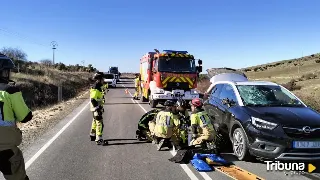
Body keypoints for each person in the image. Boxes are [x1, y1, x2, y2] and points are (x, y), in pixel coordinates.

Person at [0, 54, 33, 180]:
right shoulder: (10, 90)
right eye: (7, 71)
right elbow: (25, 117)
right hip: (5, 150)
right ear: (2, 72)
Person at [89, 72, 106, 145]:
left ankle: (93, 135)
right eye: (102, 78)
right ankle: (99, 139)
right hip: (96, 108)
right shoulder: (96, 87)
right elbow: (93, 99)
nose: (103, 80)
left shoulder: (98, 86)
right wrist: (98, 108)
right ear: (99, 79)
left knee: (95, 121)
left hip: (95, 108)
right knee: (100, 123)